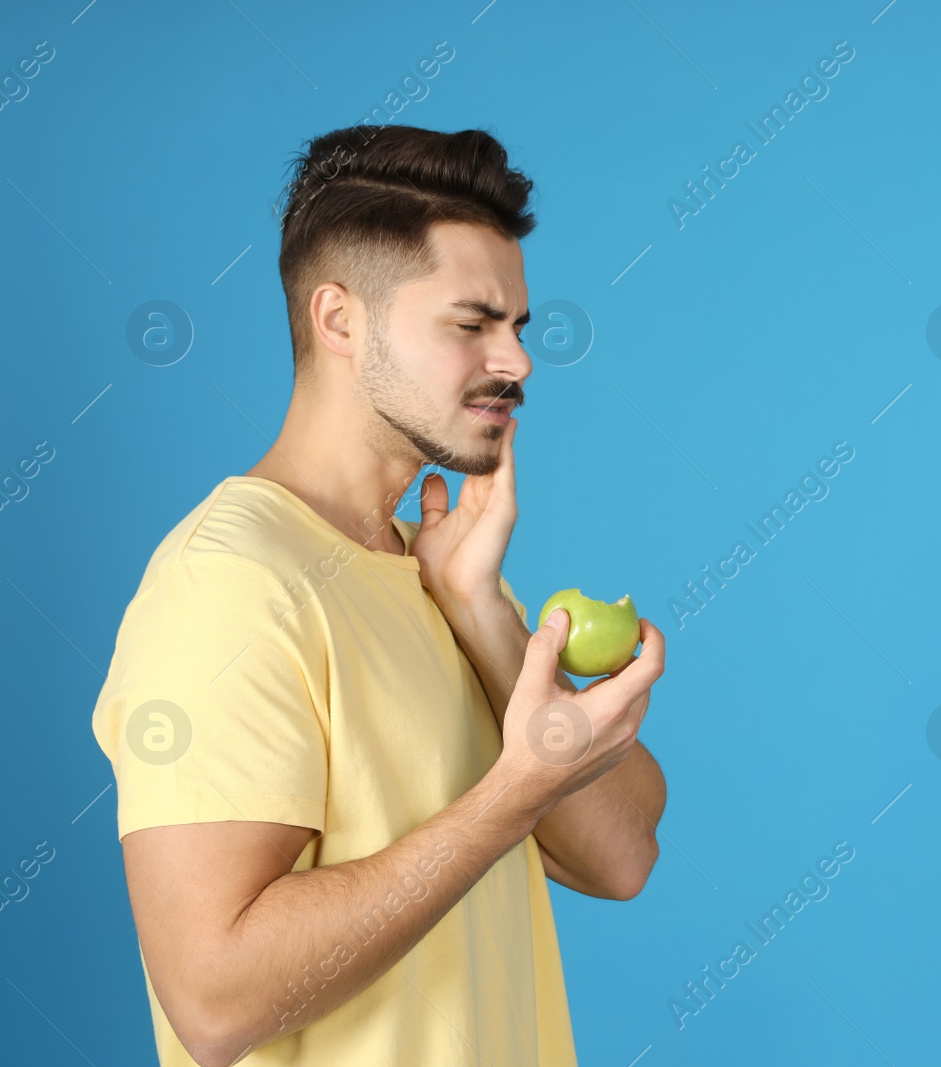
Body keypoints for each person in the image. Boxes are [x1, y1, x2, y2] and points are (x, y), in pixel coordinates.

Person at [89, 124, 666, 1067]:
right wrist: (510, 795)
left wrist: (481, 612)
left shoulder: (436, 568)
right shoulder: (229, 583)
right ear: (340, 320)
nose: (517, 362)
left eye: (517, 327)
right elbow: (213, 997)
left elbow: (624, 854)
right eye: (472, 324)